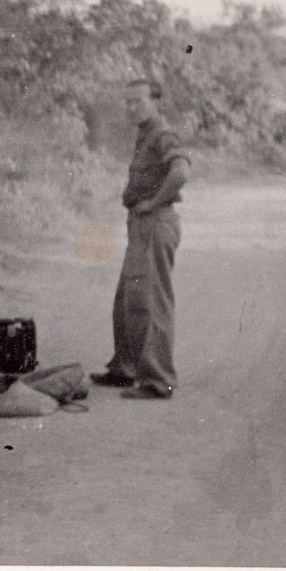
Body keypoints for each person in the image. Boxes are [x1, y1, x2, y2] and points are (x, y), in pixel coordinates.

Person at [92, 78, 190, 399]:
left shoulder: (162, 134)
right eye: (128, 101)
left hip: (155, 224)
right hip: (141, 227)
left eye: (138, 101)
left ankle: (158, 380)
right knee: (127, 301)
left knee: (151, 302)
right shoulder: (145, 134)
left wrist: (155, 202)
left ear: (156, 101)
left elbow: (180, 172)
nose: (131, 107)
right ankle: (126, 368)